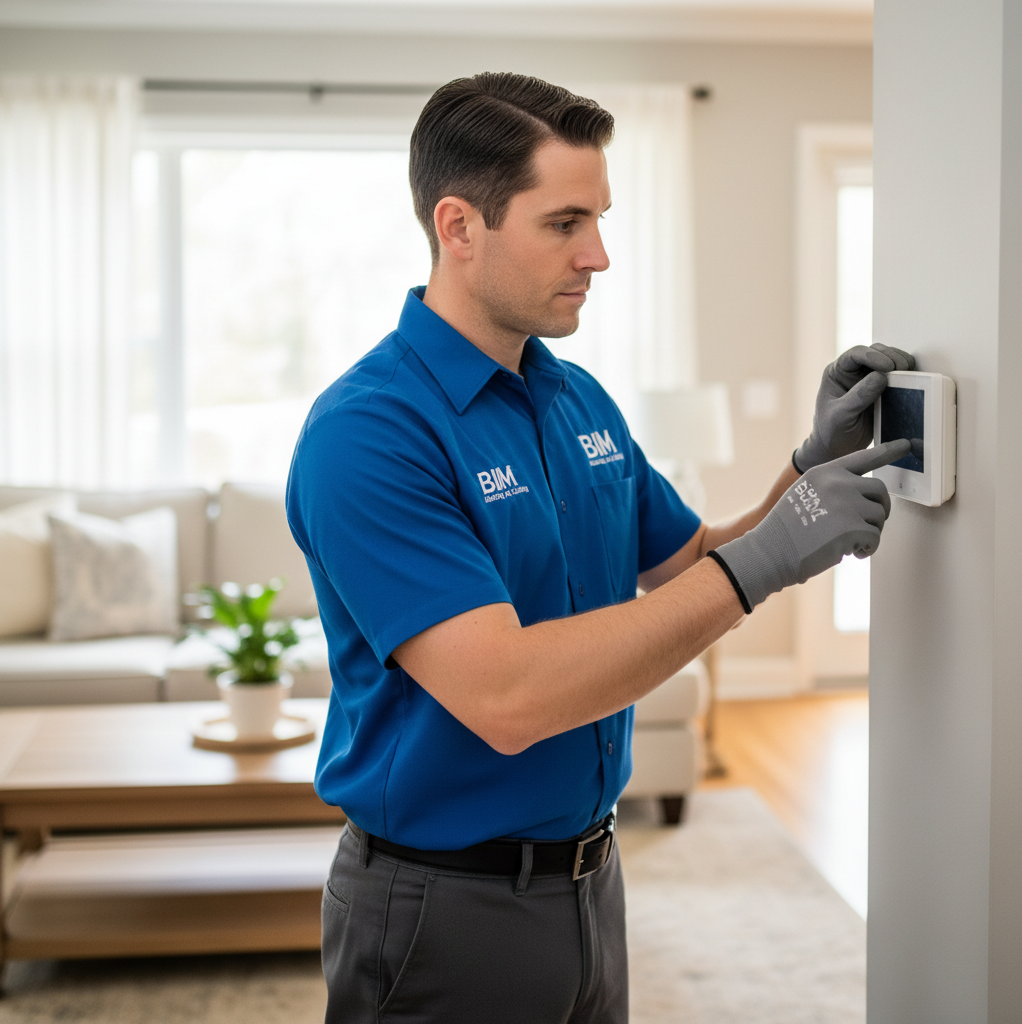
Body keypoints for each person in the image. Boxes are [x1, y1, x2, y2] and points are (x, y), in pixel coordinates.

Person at [286, 72, 912, 1024]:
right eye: (565, 222)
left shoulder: (578, 399)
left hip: (591, 884)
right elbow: (507, 696)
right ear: (459, 227)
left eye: (601, 219)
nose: (600, 255)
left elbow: (694, 557)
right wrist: (765, 562)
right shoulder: (369, 433)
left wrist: (805, 467)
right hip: (439, 908)